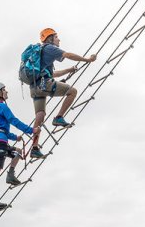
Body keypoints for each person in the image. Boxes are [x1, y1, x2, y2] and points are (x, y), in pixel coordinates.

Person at [28, 27, 97, 159]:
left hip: (35, 87)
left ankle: (35, 147)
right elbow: (68, 55)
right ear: (50, 39)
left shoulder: (42, 53)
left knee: (40, 115)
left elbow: (52, 73)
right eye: (56, 37)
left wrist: (69, 70)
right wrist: (88, 59)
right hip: (43, 84)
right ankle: (59, 117)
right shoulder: (49, 48)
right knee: (72, 91)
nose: (59, 39)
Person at [0, 82, 38, 211]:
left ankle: (10, 174)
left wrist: (16, 137)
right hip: (0, 141)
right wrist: (31, 130)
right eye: (4, 90)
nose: (7, 92)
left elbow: (1, 129)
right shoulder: (2, 107)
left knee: (18, 152)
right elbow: (14, 121)